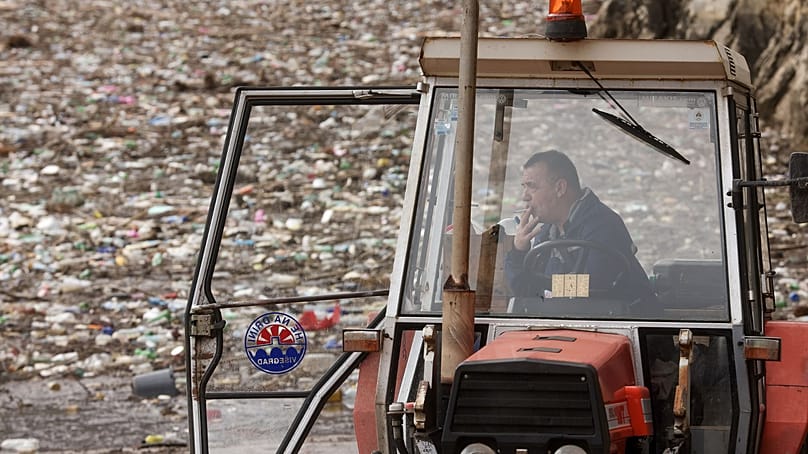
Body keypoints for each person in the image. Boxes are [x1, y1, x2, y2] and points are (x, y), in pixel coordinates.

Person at [504, 149, 654, 305]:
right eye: (524, 187)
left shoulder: (604, 225)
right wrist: (518, 251)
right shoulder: (547, 232)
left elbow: (592, 286)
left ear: (560, 188)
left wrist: (545, 285)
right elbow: (525, 292)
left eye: (531, 186)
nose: (524, 196)